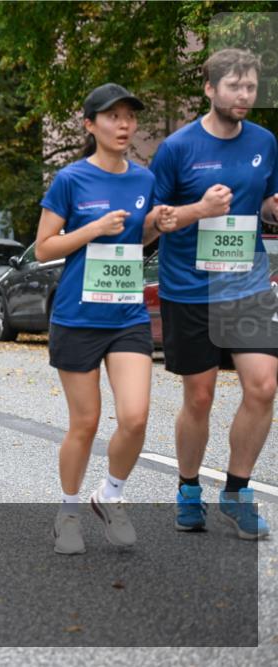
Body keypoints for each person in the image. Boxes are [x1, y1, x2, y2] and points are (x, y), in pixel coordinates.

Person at [36, 83, 176, 555]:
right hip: (77, 317)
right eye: (113, 117)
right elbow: (44, 248)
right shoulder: (70, 179)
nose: (124, 125)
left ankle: (110, 494)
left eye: (129, 117)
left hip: (127, 315)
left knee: (135, 418)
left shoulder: (143, 180)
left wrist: (156, 225)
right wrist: (92, 228)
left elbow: (136, 241)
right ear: (90, 124)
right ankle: (68, 513)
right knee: (86, 422)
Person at [150, 48, 277, 540]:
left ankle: (237, 492)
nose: (244, 95)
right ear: (209, 89)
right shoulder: (177, 148)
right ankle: (188, 488)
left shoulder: (265, 142)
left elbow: (265, 200)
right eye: (234, 86)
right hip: (190, 289)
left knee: (263, 386)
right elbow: (151, 226)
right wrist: (199, 210)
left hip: (246, 284)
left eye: (251, 87)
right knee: (199, 397)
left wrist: (273, 207)